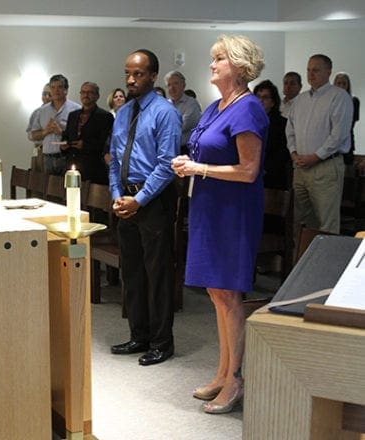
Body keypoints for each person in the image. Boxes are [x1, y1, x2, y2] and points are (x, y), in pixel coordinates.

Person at [171, 34, 268, 414]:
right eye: (212, 59)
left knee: (229, 295)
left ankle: (236, 380)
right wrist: (187, 163)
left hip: (233, 212)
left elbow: (248, 171)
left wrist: (199, 168)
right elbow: (202, 151)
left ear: (240, 67)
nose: (212, 65)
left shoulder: (249, 109)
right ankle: (222, 371)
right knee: (215, 293)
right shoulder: (215, 107)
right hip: (209, 206)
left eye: (219, 59)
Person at [109, 49, 181, 368]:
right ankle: (138, 335)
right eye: (127, 73)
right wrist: (116, 195)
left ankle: (162, 341)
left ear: (153, 76)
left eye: (138, 74)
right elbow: (113, 159)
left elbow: (167, 165)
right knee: (132, 272)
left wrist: (139, 200)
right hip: (125, 199)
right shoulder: (123, 113)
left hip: (152, 202)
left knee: (157, 273)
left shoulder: (165, 112)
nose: (130, 79)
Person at [286, 54, 353, 234]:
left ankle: (327, 262)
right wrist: (294, 154)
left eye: (316, 70)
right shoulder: (300, 100)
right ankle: (301, 261)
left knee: (327, 223)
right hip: (300, 168)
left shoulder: (339, 97)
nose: (311, 74)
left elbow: (338, 135)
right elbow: (290, 131)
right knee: (300, 222)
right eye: (308, 70)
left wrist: (315, 157)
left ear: (328, 72)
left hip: (325, 167)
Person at [62, 82, 114, 184]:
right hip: (72, 166)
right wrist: (63, 145)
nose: (86, 95)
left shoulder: (105, 116)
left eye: (90, 92)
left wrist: (85, 145)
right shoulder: (73, 115)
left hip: (93, 168)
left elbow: (106, 143)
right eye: (83, 92)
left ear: (97, 96)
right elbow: (66, 136)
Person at [30, 74, 81, 175]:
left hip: (67, 157)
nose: (56, 91)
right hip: (47, 157)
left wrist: (61, 132)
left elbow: (80, 135)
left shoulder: (76, 109)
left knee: (67, 189)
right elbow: (33, 135)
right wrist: (46, 131)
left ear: (66, 90)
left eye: (59, 87)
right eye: (53, 87)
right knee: (48, 189)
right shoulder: (42, 111)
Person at [254, 79, 291, 189]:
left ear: (273, 102)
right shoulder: (247, 121)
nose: (260, 100)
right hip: (249, 175)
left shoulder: (282, 124)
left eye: (265, 97)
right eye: (258, 96)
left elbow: (283, 152)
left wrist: (264, 169)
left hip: (272, 179)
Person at [165, 70, 202, 154]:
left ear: (183, 86)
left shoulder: (191, 103)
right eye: (169, 85)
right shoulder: (165, 104)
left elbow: (182, 126)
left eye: (175, 83)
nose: (172, 88)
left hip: (185, 150)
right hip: (168, 149)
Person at [333, 72, 360, 165]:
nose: (341, 86)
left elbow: (350, 124)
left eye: (344, 83)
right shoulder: (330, 102)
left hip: (346, 143)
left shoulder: (353, 101)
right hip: (331, 144)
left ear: (348, 85)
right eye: (339, 83)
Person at [26, 84, 52, 172]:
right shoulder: (36, 112)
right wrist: (43, 133)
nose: (47, 97)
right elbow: (29, 134)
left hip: (53, 154)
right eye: (44, 94)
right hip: (38, 151)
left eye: (50, 94)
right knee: (37, 180)